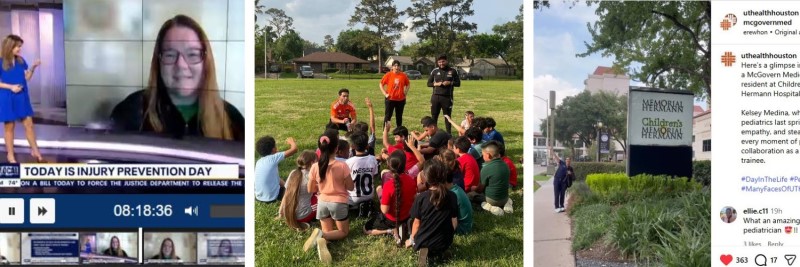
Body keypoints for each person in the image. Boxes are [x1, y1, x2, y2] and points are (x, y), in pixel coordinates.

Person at [111, 15, 244, 141]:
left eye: (192, 54)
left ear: (206, 62)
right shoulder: (130, 112)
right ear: (159, 62)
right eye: (170, 55)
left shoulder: (232, 119)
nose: (181, 65)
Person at [304, 129, 354, 263]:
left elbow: (310, 189)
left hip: (322, 203)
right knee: (343, 232)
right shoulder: (342, 165)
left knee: (328, 231)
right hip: (338, 203)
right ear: (337, 148)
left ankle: (323, 238)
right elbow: (351, 187)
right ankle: (322, 235)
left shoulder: (315, 166)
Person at [405, 159, 459, 266]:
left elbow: (416, 224)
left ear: (426, 177)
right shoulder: (452, 196)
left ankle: (424, 253)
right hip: (445, 241)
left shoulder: (421, 198)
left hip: (424, 242)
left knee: (410, 221)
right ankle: (441, 251)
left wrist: (411, 239)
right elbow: (454, 221)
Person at [0, 34, 44, 163]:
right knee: (9, 127)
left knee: (29, 124)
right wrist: (11, 87)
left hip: (22, 96)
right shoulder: (0, 62)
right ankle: (10, 155)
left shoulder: (20, 60)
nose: (19, 49)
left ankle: (35, 150)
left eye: (20, 46)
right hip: (7, 97)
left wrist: (33, 67)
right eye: (17, 46)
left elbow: (27, 78)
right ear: (10, 47)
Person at [364, 150, 417, 247]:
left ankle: (391, 230)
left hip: (391, 219)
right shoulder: (411, 180)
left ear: (389, 166)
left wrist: (381, 196)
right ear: (404, 165)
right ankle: (404, 225)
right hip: (407, 215)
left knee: (366, 229)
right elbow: (414, 199)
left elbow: (384, 210)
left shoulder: (389, 185)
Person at [279, 150, 318, 230]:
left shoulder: (293, 173)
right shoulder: (311, 176)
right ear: (312, 163)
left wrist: (281, 212)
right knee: (322, 197)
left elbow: (286, 195)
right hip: (303, 216)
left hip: (288, 214)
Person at [472, 141, 512, 216]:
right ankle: (507, 204)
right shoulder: (505, 165)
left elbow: (480, 189)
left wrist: (474, 188)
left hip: (491, 200)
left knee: (471, 196)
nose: (482, 157)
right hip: (504, 198)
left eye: (483, 155)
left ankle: (490, 207)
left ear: (488, 155)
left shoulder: (486, 169)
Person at [345, 131, 378, 218]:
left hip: (353, 197)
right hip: (369, 195)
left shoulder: (348, 162)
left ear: (352, 146)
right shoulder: (373, 159)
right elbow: (374, 175)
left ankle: (355, 206)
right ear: (367, 146)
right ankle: (365, 204)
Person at [255, 136, 297, 202]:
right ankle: (287, 189)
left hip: (259, 197)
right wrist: (292, 142)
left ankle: (286, 186)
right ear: (273, 149)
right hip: (273, 197)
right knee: (295, 189)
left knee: (277, 178)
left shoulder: (259, 161)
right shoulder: (274, 158)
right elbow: (294, 149)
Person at [426, 54, 460, 134]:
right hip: (435, 97)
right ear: (437, 62)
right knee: (434, 116)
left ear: (446, 61)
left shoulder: (452, 71)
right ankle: (433, 134)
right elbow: (428, 83)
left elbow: (458, 83)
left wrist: (450, 82)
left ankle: (448, 135)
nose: (441, 63)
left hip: (447, 98)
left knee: (447, 117)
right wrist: (435, 84)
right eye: (439, 62)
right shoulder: (434, 71)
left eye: (443, 61)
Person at [380, 60, 410, 127]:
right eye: (395, 65)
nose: (396, 67)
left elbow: (408, 84)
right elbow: (381, 84)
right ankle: (385, 132)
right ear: (392, 67)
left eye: (398, 66)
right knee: (388, 116)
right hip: (390, 99)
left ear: (399, 67)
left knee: (399, 116)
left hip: (400, 100)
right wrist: (385, 94)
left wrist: (405, 92)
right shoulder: (388, 75)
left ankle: (399, 132)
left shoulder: (403, 75)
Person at [552, 147, 567, 213]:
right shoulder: (562, 163)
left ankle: (561, 206)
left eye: (569, 160)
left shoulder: (570, 168)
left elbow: (572, 176)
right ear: (565, 161)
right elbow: (557, 158)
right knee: (557, 194)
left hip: (563, 182)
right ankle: (556, 207)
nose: (568, 161)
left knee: (562, 194)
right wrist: (552, 152)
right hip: (557, 180)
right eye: (567, 160)